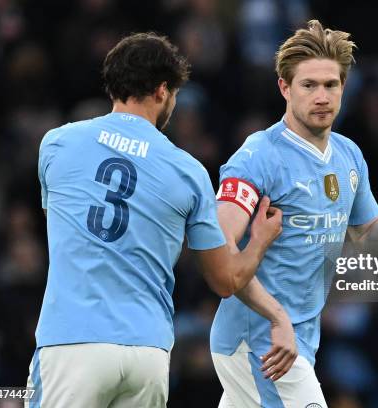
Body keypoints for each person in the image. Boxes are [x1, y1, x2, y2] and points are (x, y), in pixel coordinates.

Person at [25, 32, 282, 408]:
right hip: (148, 352)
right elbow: (225, 280)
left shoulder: (57, 143)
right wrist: (259, 238)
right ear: (163, 90)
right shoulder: (188, 171)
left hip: (73, 341)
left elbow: (61, 224)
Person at [210, 20, 378, 407]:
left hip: (299, 338)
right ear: (284, 87)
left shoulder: (348, 155)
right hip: (259, 340)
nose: (322, 96)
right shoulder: (259, 156)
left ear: (344, 87)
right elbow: (220, 248)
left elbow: (367, 232)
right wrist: (277, 318)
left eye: (331, 84)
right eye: (309, 85)